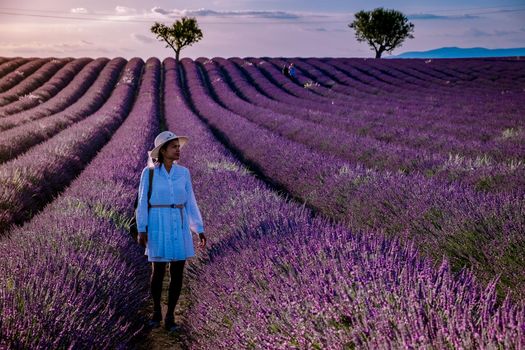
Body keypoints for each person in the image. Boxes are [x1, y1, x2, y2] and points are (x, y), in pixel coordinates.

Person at [136, 130, 206, 332]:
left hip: (180, 222)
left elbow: (190, 201)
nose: (178, 150)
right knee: (157, 271)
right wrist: (142, 229)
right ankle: (156, 311)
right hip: (157, 223)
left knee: (177, 272)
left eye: (178, 146)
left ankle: (170, 315)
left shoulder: (183, 173)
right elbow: (142, 202)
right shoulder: (148, 173)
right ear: (163, 150)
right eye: (174, 146)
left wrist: (198, 228)